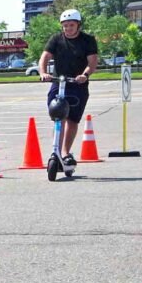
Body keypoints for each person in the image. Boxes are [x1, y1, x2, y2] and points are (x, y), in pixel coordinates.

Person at [38, 9, 99, 168]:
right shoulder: (56, 39)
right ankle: (55, 151)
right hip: (59, 82)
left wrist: (85, 75)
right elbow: (44, 57)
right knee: (58, 116)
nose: (68, 28)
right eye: (65, 25)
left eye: (71, 25)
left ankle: (65, 153)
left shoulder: (87, 40)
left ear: (78, 25)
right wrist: (44, 72)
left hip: (78, 84)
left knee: (72, 120)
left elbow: (92, 61)